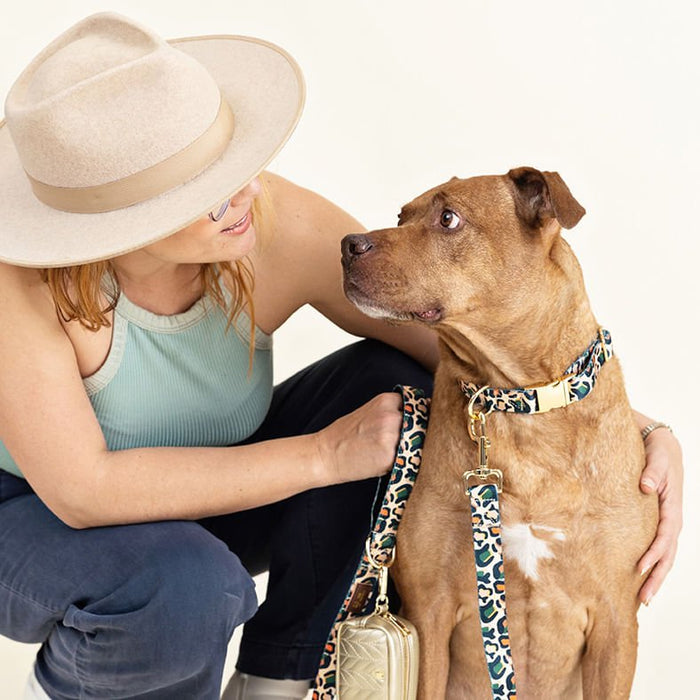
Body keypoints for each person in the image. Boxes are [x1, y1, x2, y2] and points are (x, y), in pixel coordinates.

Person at [0, 11, 682, 700]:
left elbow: (471, 351)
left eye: (234, 159)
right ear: (118, 218)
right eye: (202, 189)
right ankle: (91, 680)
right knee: (185, 586)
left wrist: (638, 431)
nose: (243, 192)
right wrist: (325, 456)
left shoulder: (265, 221)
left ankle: (275, 680)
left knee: (393, 383)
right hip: (37, 519)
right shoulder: (20, 286)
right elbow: (85, 492)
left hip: (204, 503)